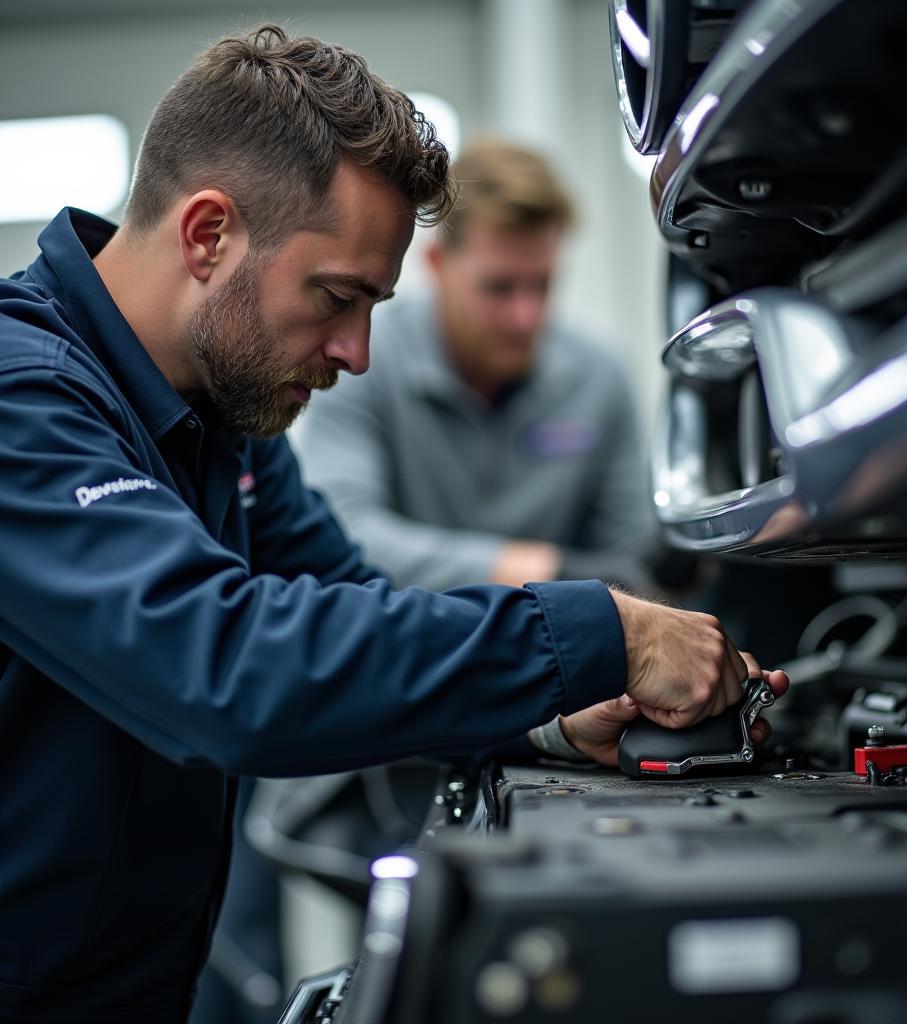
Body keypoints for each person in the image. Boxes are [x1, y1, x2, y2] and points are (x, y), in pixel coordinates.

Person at [0, 25, 787, 1024]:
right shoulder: (24, 401)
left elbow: (345, 603)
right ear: (207, 234)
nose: (357, 351)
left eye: (373, 305)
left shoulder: (218, 414)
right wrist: (603, 630)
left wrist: (549, 709)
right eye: (336, 296)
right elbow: (226, 665)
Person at [293, 140, 659, 593]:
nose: (525, 317)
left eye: (541, 286)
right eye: (499, 288)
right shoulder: (360, 364)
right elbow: (345, 534)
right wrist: (544, 574)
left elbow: (635, 561)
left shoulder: (600, 380)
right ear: (436, 263)